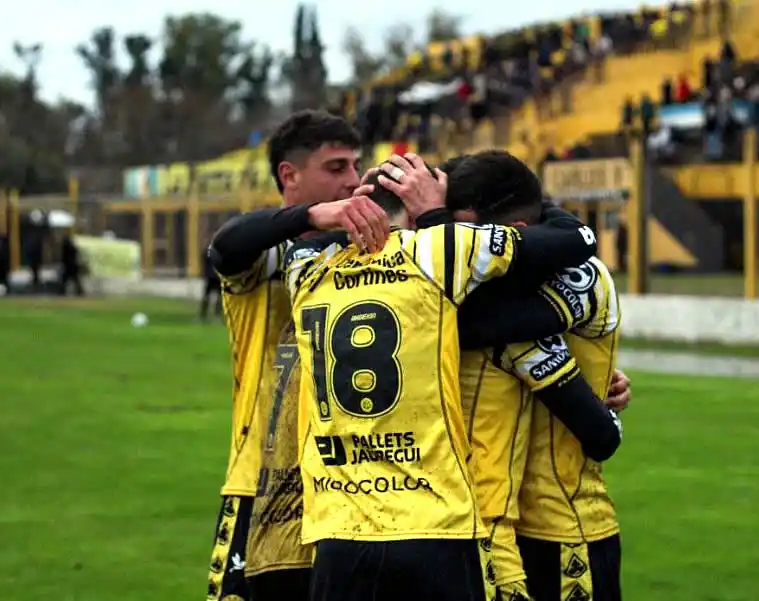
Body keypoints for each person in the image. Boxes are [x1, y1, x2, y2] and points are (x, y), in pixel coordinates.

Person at [284, 161, 599, 601]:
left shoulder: (306, 269)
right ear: (416, 214)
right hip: (435, 525)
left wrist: (317, 215)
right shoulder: (440, 250)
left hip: (338, 529)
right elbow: (576, 239)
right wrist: (436, 214)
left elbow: (235, 242)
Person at [378, 151, 626, 601]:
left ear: (511, 237)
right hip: (474, 529)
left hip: (564, 531)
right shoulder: (468, 290)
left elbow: (599, 433)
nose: (455, 246)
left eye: (463, 231)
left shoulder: (576, 277)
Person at [205, 110, 370, 601]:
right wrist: (310, 218)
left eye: (355, 167)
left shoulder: (364, 254)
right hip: (260, 484)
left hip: (349, 488)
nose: (353, 181)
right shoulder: (266, 256)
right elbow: (225, 246)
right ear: (289, 175)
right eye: (337, 168)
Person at [200, 247, 222, 320]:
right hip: (214, 277)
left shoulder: (208, 252)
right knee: (215, 297)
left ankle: (205, 315)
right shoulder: (218, 252)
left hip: (212, 277)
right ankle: (215, 315)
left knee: (210, 296)